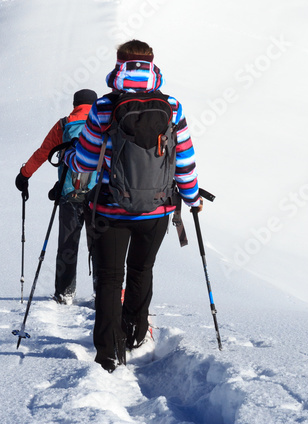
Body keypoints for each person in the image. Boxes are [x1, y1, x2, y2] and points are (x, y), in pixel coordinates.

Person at [64, 40, 202, 373]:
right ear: (151, 65)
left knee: (110, 281)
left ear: (119, 65)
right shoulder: (172, 106)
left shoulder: (103, 108)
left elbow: (83, 163)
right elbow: (183, 159)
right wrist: (192, 198)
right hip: (157, 209)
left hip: (111, 210)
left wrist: (69, 156)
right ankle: (136, 335)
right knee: (142, 271)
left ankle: (109, 353)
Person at [15, 88, 98, 305]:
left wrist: (24, 175)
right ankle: (104, 290)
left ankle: (65, 293)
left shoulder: (64, 124)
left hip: (69, 192)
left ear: (74, 104)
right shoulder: (104, 123)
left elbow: (43, 153)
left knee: (68, 244)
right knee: (100, 244)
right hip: (99, 196)